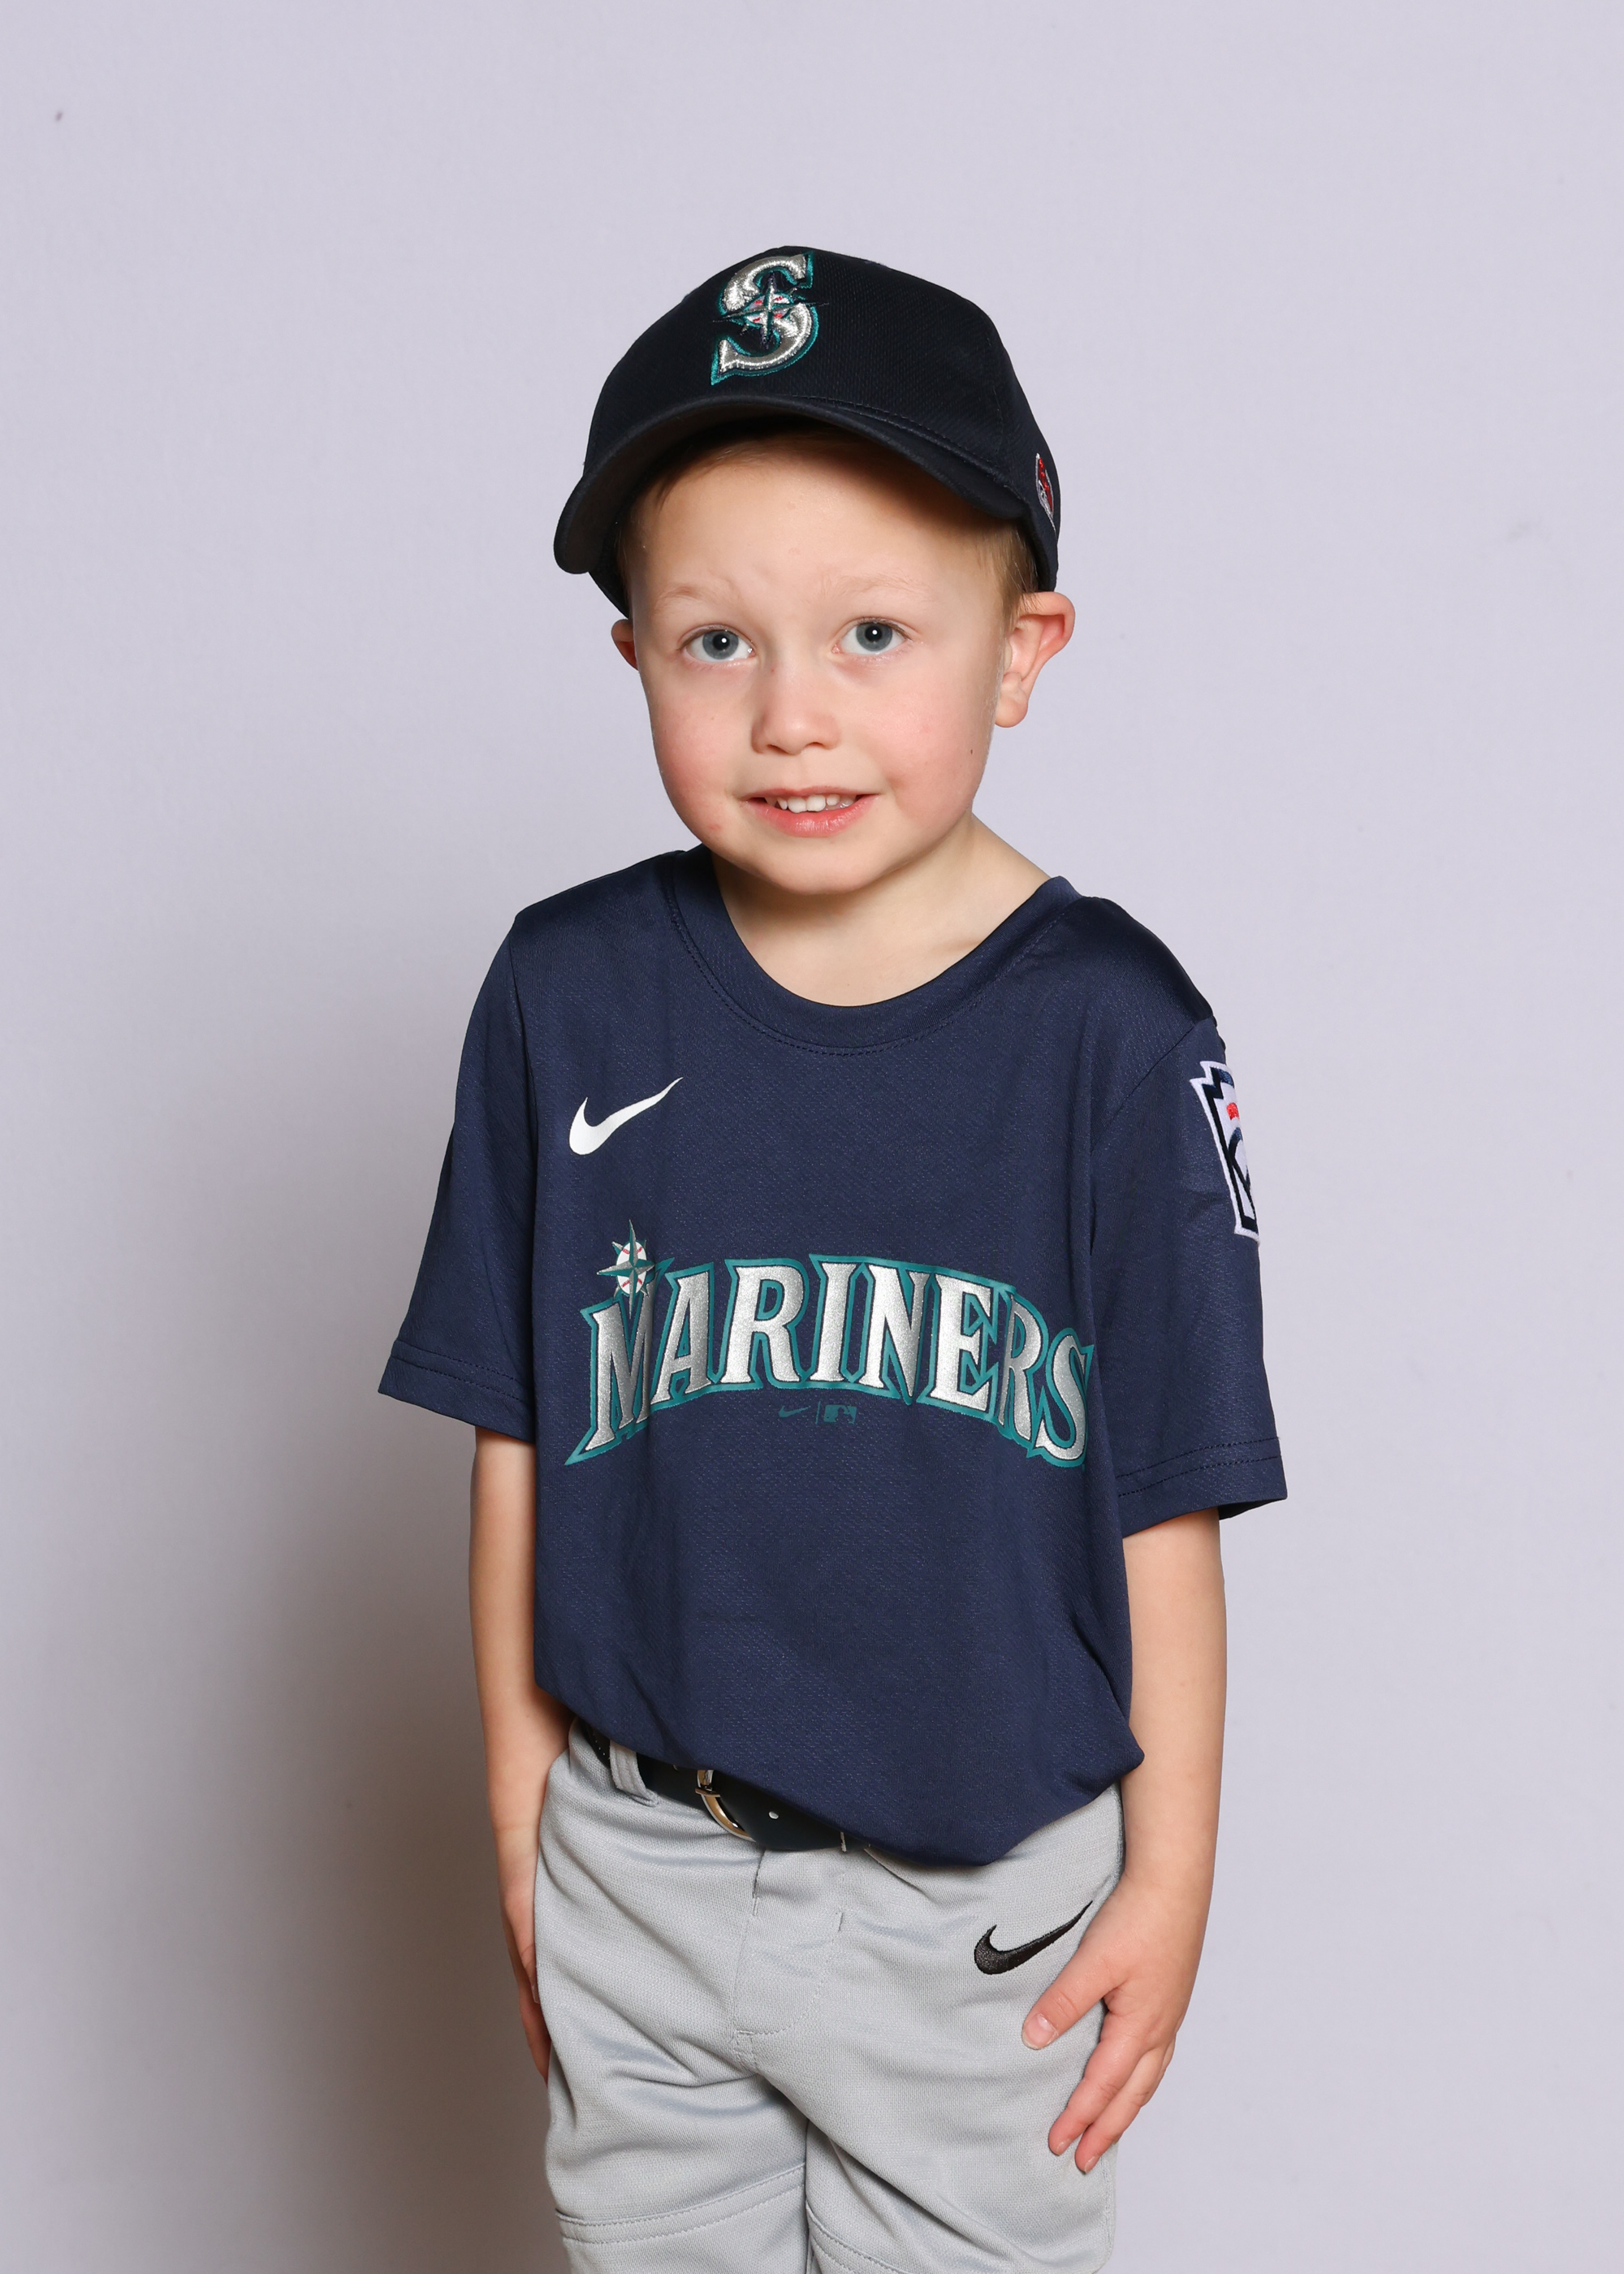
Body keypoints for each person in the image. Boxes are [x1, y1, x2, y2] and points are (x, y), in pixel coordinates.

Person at [380, 247, 1285, 2273]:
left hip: (977, 1905)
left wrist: (1172, 1871)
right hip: (641, 1850)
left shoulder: (1111, 1030)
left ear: (1021, 647)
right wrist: (525, 1816)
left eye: (875, 631)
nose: (791, 713)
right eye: (716, 640)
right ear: (633, 649)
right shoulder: (566, 993)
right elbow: (515, 1428)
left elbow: (1168, 1494)